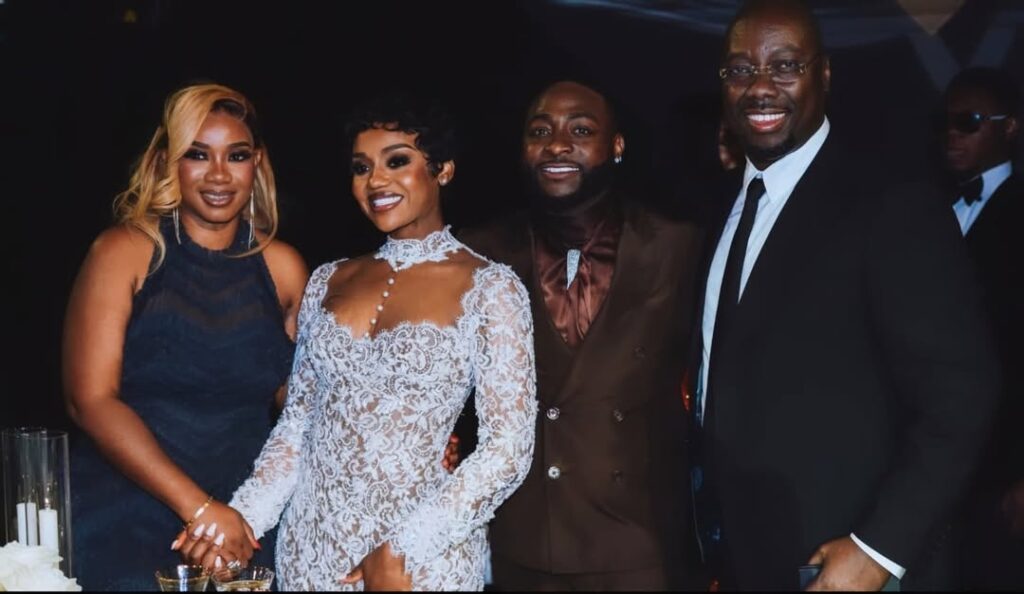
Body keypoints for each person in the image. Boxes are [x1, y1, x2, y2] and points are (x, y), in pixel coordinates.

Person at [688, 1, 1001, 590]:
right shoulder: (721, 205)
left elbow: (963, 396)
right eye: (740, 70)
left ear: (824, 74)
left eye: (785, 66)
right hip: (739, 557)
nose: (760, 87)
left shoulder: (892, 200)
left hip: (845, 562)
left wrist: (879, 549)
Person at [190, 94, 537, 591]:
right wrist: (242, 522)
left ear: (443, 170)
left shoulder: (490, 287)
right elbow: (297, 429)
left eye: (396, 161)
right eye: (361, 167)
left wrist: (404, 549)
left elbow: (508, 450)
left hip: (417, 563)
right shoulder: (327, 280)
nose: (376, 181)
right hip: (311, 552)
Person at [63, 83, 309, 590]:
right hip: (127, 511)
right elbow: (90, 400)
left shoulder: (284, 268)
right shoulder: (122, 252)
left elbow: (304, 403)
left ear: (257, 163)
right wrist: (200, 510)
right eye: (197, 154)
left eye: (236, 155)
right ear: (165, 162)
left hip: (247, 519)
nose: (219, 174)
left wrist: (408, 439)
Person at [460, 80, 703, 590]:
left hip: (638, 544)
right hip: (522, 542)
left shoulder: (678, 246)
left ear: (617, 145)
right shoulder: (479, 253)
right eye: (539, 132)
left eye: (580, 130)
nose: (556, 145)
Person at [939, 66, 1024, 590]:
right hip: (937, 465)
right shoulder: (928, 209)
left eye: (968, 122)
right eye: (945, 122)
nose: (951, 134)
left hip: (1000, 469)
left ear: (1009, 128)